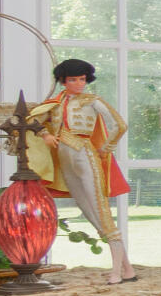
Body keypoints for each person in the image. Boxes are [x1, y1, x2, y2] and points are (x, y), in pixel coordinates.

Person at [26, 58, 134, 283]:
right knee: (89, 211)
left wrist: (106, 148)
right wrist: (45, 135)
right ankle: (127, 269)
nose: (78, 84)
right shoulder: (55, 102)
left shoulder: (93, 101)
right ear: (63, 81)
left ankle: (118, 271)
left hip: (85, 154)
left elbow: (120, 125)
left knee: (101, 212)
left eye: (82, 79)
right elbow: (33, 121)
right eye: (73, 79)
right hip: (66, 159)